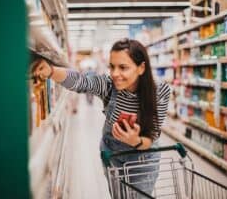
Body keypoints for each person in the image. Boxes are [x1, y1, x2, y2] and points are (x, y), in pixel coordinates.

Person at [33, 38, 170, 198]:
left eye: (123, 67)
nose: (115, 74)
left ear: (141, 68)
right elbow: (82, 81)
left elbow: (152, 134)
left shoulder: (159, 91)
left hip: (143, 159)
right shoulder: (109, 85)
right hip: (112, 154)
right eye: (112, 67)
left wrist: (136, 141)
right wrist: (51, 71)